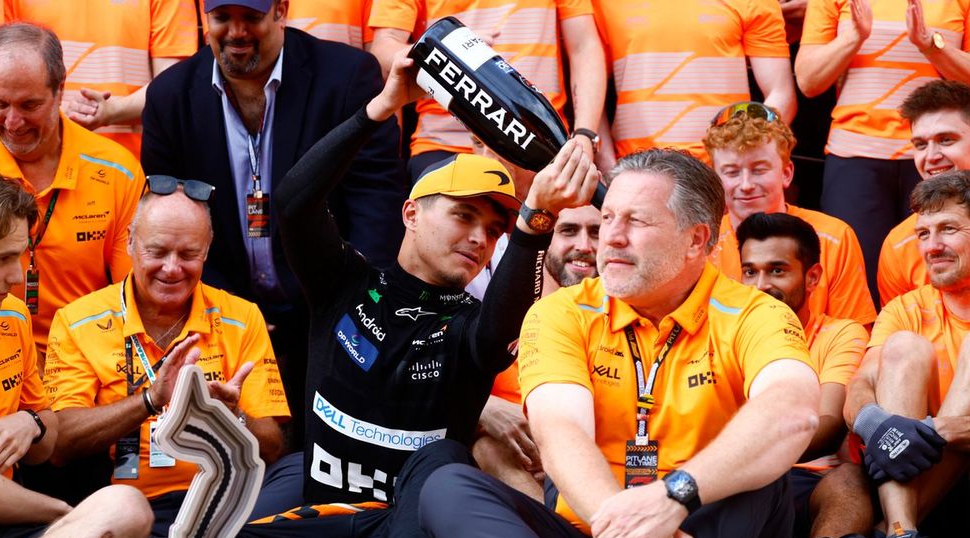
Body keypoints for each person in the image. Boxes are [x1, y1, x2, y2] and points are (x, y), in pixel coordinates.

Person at [128, 55, 598, 538]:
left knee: (445, 460)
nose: (480, 237)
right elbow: (294, 202)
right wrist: (380, 108)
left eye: (494, 228)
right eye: (463, 214)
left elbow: (508, 318)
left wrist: (534, 225)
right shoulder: (344, 282)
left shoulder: (473, 326)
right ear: (410, 212)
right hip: (322, 520)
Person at [419, 148, 819, 538]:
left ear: (698, 239)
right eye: (609, 218)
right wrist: (630, 530)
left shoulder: (753, 313)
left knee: (763, 469)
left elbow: (795, 411)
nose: (611, 237)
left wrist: (673, 499)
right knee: (446, 484)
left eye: (636, 221)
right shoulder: (561, 311)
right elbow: (559, 431)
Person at [142, 0, 407, 443]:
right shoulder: (171, 96)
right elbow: (171, 221)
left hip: (329, 303)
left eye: (251, 17)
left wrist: (354, 307)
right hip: (225, 310)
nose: (236, 32)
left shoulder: (346, 77)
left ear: (281, 10)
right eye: (223, 18)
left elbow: (375, 206)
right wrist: (229, 310)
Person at [43, 176, 291, 538]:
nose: (172, 269)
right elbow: (60, 444)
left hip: (224, 503)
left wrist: (230, 417)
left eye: (188, 253)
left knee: (299, 474)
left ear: (207, 250)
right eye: (157, 251)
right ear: (129, 243)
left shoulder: (242, 317)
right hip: (130, 512)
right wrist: (149, 400)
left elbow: (273, 447)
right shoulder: (77, 321)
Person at [0, 164, 151, 538]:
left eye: (23, 256)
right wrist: (62, 514)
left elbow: (47, 442)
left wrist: (27, 423)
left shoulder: (12, 317)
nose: (19, 275)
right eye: (2, 259)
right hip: (13, 516)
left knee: (126, 510)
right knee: (93, 532)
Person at [0, 22, 144, 364]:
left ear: (60, 90)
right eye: (0, 103)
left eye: (29, 105)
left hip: (86, 360)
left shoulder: (117, 171)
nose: (13, 121)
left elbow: (134, 298)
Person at [844, 171, 970, 538]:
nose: (932, 245)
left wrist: (935, 430)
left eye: (949, 229)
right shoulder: (906, 308)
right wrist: (882, 427)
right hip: (914, 487)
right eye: (922, 234)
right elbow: (858, 389)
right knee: (904, 348)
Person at [736, 212, 874, 538]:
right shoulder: (724, 330)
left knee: (851, 480)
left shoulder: (840, 333)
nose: (761, 286)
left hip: (808, 478)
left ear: (812, 277)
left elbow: (830, 425)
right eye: (750, 272)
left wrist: (749, 451)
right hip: (738, 477)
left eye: (777, 271)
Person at [795, 0, 970, 303]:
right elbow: (808, 80)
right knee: (860, 279)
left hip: (938, 154)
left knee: (942, 265)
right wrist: (854, 37)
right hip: (856, 152)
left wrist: (932, 45)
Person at [368, 0, 608, 179]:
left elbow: (584, 46)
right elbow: (384, 48)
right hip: (446, 144)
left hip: (542, 141)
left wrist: (585, 134)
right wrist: (441, 52)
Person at [702, 101, 877, 327]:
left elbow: (854, 335)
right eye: (732, 172)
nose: (745, 184)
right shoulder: (702, 245)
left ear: (786, 173)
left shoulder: (834, 237)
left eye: (759, 170)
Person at [477, 203, 601, 500]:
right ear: (544, 237)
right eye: (568, 231)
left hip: (596, 465)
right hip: (516, 472)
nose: (584, 245)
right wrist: (483, 408)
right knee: (486, 448)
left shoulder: (630, 317)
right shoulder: (503, 318)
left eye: (596, 233)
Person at [590, 0, 796, 165]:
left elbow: (781, 93)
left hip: (721, 173)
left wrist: (739, 162)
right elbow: (589, 90)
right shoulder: (602, 4)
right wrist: (609, 166)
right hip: (636, 167)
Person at [9, 0, 199, 158]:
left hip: (129, 166)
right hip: (37, 160)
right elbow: (0, 76)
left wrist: (110, 112)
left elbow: (174, 88)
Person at [878, 80, 970, 305]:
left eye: (946, 140)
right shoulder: (900, 243)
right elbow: (899, 328)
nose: (930, 157)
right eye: (920, 145)